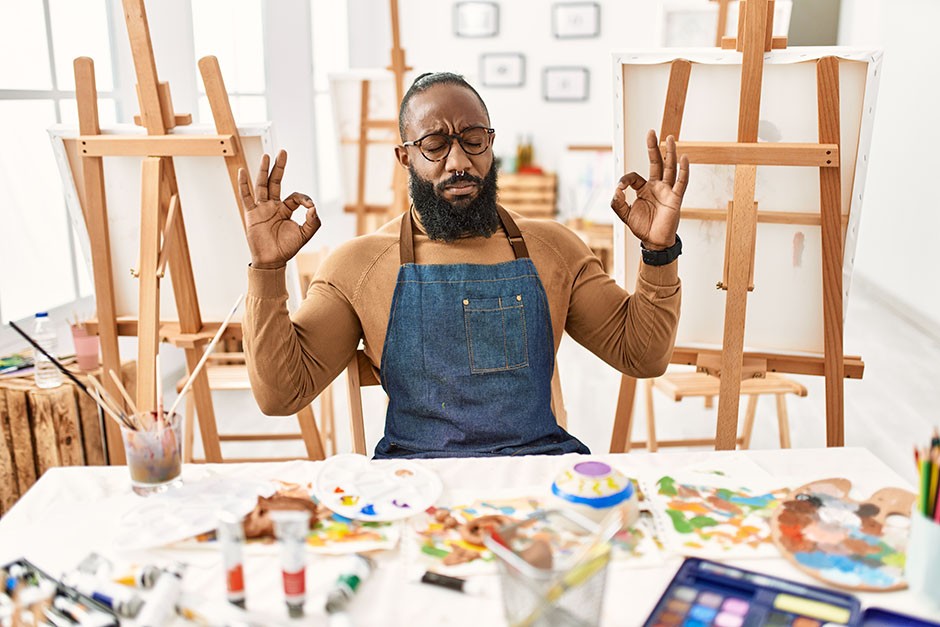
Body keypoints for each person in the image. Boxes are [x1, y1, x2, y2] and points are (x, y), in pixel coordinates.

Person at [241, 72, 688, 459]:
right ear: (405, 158)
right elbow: (282, 395)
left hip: (536, 473)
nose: (459, 162)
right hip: (415, 487)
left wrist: (659, 251)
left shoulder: (554, 248)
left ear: (490, 145)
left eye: (473, 141)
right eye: (435, 146)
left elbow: (642, 355)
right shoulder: (358, 265)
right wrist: (266, 270)